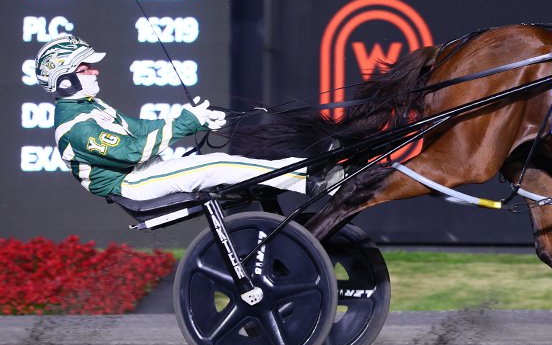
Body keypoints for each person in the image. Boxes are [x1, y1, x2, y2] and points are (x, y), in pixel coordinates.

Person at [34, 34, 330, 201]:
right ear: (63, 78)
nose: (95, 71)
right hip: (132, 184)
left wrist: (195, 120)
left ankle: (301, 172)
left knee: (215, 164)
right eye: (86, 68)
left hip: (144, 172)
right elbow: (133, 153)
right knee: (216, 164)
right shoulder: (75, 127)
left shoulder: (91, 106)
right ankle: (308, 180)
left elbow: (142, 128)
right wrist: (185, 122)